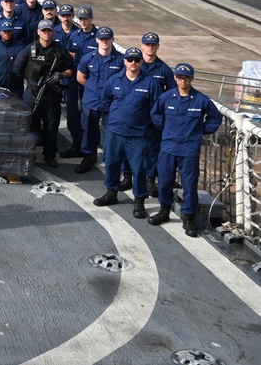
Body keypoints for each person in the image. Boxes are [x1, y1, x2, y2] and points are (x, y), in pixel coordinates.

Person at [147, 63, 222, 237]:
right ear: (175, 78)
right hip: (169, 147)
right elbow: (155, 114)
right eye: (180, 77)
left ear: (192, 79)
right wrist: (165, 129)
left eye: (186, 77)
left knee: (189, 185)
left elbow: (214, 118)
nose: (183, 80)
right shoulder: (167, 97)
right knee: (165, 181)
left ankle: (188, 217)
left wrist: (201, 130)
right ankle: (164, 210)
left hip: (189, 148)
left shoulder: (201, 99)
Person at [94, 48, 162, 219]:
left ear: (141, 62)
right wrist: (110, 123)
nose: (133, 63)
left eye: (136, 60)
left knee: (139, 169)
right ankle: (111, 192)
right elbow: (105, 101)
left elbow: (157, 109)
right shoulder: (114, 80)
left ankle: (139, 200)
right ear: (124, 61)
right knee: (111, 162)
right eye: (129, 59)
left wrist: (148, 127)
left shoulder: (151, 83)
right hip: (115, 132)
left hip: (138, 135)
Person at [13, 19, 74, 167]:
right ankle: (29, 153)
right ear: (38, 32)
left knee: (51, 125)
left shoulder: (60, 50)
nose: (47, 33)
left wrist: (61, 75)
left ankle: (50, 155)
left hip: (52, 94)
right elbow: (17, 68)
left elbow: (71, 70)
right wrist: (31, 81)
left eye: (49, 30)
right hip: (33, 92)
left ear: (53, 32)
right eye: (44, 30)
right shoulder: (30, 49)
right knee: (30, 124)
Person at [75, 26, 124, 174]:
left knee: (112, 132)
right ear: (97, 40)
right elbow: (80, 77)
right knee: (88, 129)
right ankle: (88, 156)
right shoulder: (88, 58)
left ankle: (112, 160)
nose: (104, 42)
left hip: (111, 103)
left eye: (107, 39)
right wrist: (93, 89)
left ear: (112, 40)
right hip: (91, 100)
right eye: (102, 39)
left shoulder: (121, 60)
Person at [139, 31, 176, 194]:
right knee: (133, 146)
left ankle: (150, 179)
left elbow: (173, 91)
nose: (150, 47)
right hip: (137, 113)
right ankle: (128, 176)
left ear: (158, 47)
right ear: (142, 46)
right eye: (147, 44)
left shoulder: (164, 69)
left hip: (155, 116)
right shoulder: (134, 63)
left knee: (153, 149)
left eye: (153, 44)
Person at [55, 4, 84, 157]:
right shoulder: (53, 32)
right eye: (63, 15)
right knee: (52, 113)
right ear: (59, 16)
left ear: (73, 16)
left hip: (73, 80)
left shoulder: (78, 34)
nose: (65, 18)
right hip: (55, 79)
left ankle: (76, 143)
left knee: (73, 114)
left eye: (68, 15)